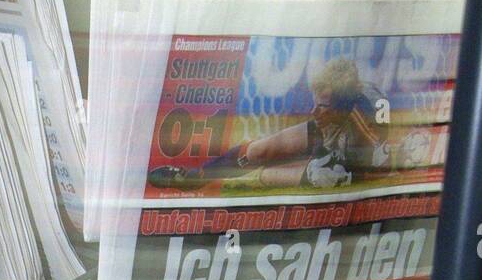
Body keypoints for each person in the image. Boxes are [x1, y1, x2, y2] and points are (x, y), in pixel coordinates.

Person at [149, 56, 390, 192]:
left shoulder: (370, 116)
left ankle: (258, 181)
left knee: (272, 177)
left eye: (321, 107)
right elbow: (325, 121)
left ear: (343, 108)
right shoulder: (333, 112)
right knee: (261, 150)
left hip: (352, 166)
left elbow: (378, 165)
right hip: (336, 136)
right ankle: (194, 178)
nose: (312, 111)